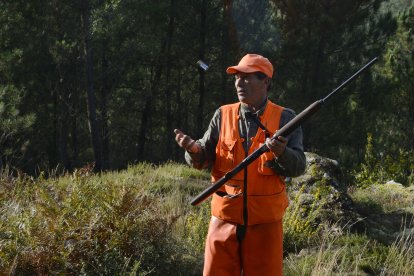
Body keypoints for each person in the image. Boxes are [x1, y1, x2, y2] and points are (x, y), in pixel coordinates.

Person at [174, 54, 306, 276]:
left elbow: (299, 166)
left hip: (266, 223)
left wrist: (282, 153)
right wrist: (194, 150)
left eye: (246, 77)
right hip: (224, 219)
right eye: (237, 77)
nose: (239, 83)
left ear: (265, 82)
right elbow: (203, 157)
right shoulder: (222, 115)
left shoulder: (285, 118)